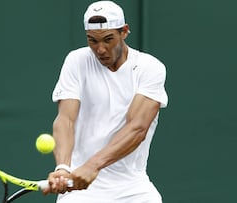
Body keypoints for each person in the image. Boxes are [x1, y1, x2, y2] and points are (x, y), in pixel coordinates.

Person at [43, 1, 168, 202]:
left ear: (124, 32)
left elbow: (137, 128)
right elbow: (65, 119)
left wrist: (93, 165)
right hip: (80, 191)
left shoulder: (150, 68)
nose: (100, 49)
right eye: (92, 40)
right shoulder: (76, 61)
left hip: (132, 188)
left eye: (108, 39)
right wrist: (63, 168)